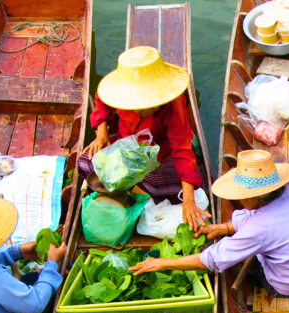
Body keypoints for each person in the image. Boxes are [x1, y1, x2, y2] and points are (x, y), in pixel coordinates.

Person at [129, 150, 289, 298]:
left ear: (255, 197)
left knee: (239, 259)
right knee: (249, 236)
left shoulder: (258, 229)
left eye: (242, 195)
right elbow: (265, 216)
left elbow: (212, 259)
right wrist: (222, 228)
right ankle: (226, 230)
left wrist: (160, 263)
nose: (239, 199)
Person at [79, 45, 210, 231]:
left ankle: (129, 189)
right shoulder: (119, 92)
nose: (142, 110)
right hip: (125, 148)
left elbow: (181, 150)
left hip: (160, 156)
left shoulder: (173, 104)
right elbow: (101, 100)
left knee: (163, 184)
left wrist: (188, 201)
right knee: (84, 164)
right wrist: (101, 134)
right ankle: (135, 190)